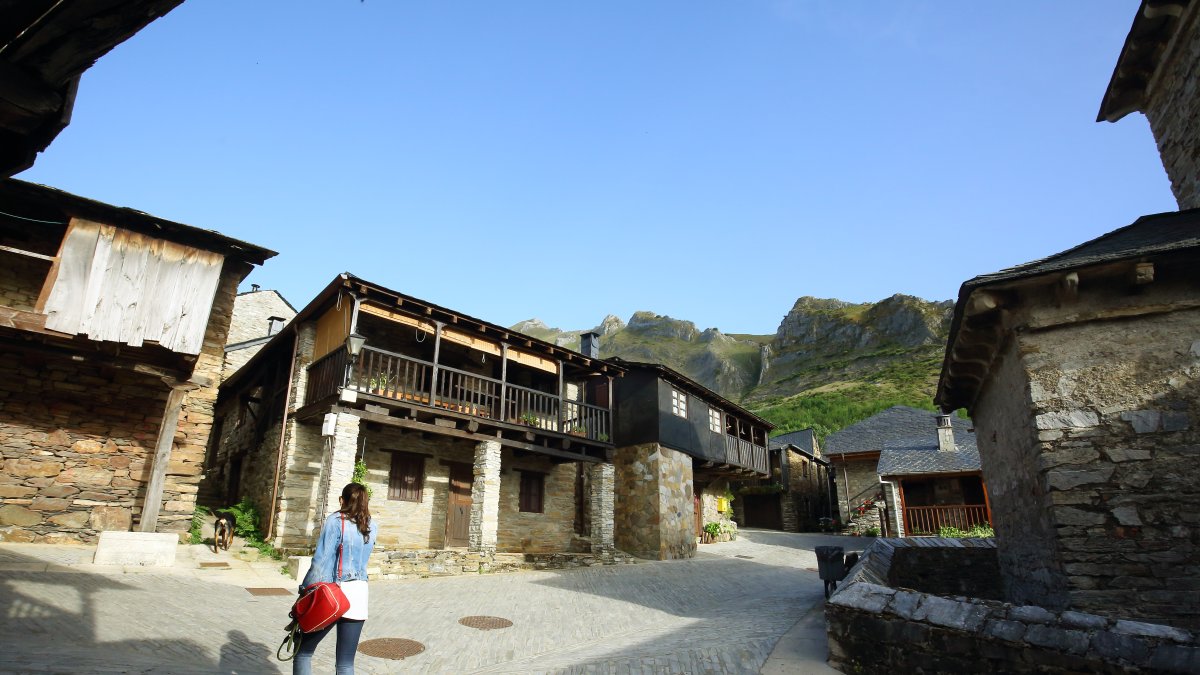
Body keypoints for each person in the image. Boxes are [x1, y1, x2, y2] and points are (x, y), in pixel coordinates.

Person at [293, 482, 378, 675]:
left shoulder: (335, 521)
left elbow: (320, 562)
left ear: (343, 500)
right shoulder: (373, 526)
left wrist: (305, 591)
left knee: (303, 652)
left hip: (333, 594)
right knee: (346, 663)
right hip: (358, 596)